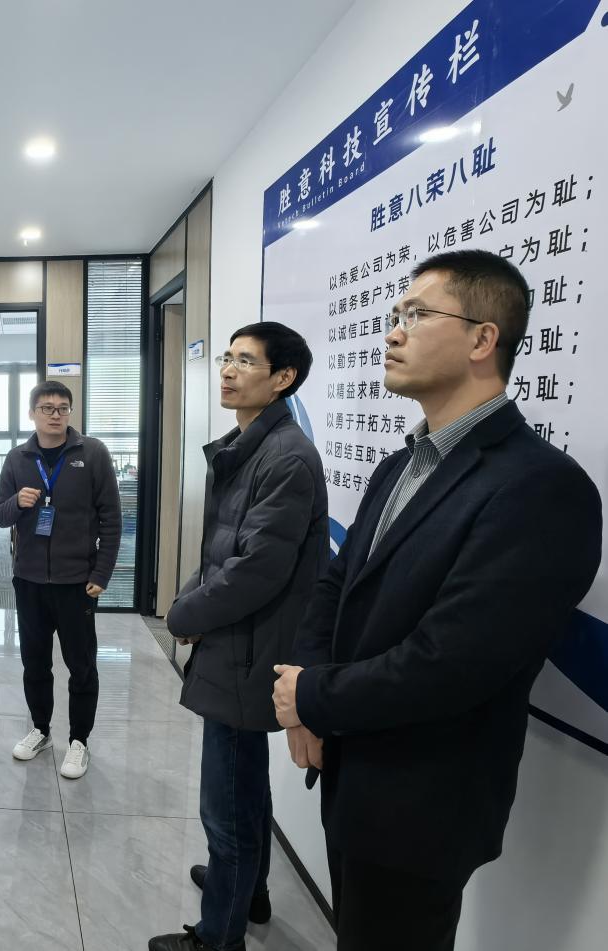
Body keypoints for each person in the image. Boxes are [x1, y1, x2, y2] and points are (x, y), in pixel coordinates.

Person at [272, 249, 602, 951]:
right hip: (348, 768)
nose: (393, 331)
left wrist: (313, 697)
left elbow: (452, 661)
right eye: (395, 314)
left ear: (484, 339)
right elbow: (336, 585)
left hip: (421, 802)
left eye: (417, 314)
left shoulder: (541, 487)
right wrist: (306, 696)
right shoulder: (400, 464)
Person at [149, 323, 328, 951]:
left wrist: (184, 616)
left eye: (245, 361)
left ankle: (218, 937)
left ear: (283, 378)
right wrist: (191, 602)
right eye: (227, 357)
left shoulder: (285, 457)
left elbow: (255, 570)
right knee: (244, 782)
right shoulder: (249, 445)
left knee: (225, 802)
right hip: (239, 641)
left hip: (248, 648)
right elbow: (221, 552)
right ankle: (249, 893)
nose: (227, 370)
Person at [0, 380, 122, 780]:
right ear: (32, 413)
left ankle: (79, 740)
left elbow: (112, 519)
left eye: (63, 408)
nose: (55, 415)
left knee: (81, 666)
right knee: (35, 663)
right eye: (47, 408)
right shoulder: (18, 458)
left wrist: (101, 572)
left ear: (70, 412)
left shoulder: (93, 454)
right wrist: (18, 503)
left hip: (76, 583)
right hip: (29, 581)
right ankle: (41, 730)